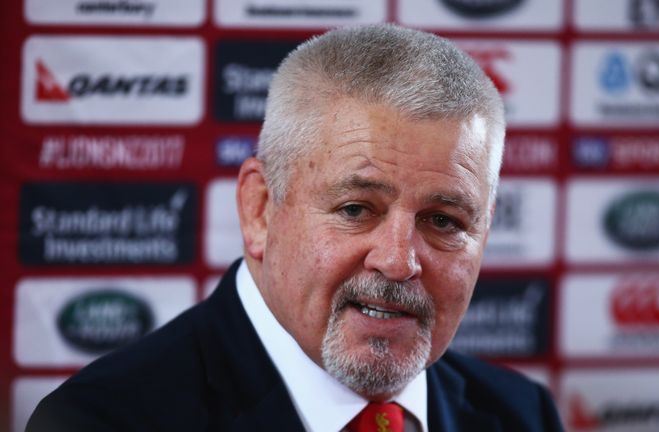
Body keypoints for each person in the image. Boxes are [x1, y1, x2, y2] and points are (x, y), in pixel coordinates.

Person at [27, 24, 564, 432]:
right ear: (260, 209)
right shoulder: (99, 420)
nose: (399, 261)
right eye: (356, 209)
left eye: (444, 221)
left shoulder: (524, 415)